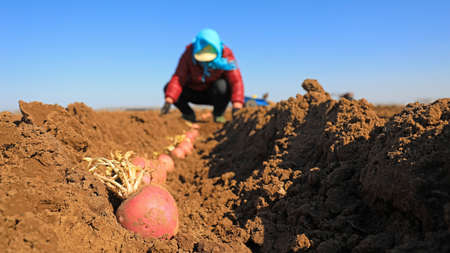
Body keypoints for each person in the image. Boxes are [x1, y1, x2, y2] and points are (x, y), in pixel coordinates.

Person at [160, 28, 244, 123]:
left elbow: (236, 81)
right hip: (194, 92)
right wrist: (169, 100)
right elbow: (179, 77)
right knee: (168, 87)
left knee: (223, 86)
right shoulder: (189, 53)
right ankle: (188, 114)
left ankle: (218, 114)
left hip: (214, 94)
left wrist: (237, 104)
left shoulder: (226, 54)